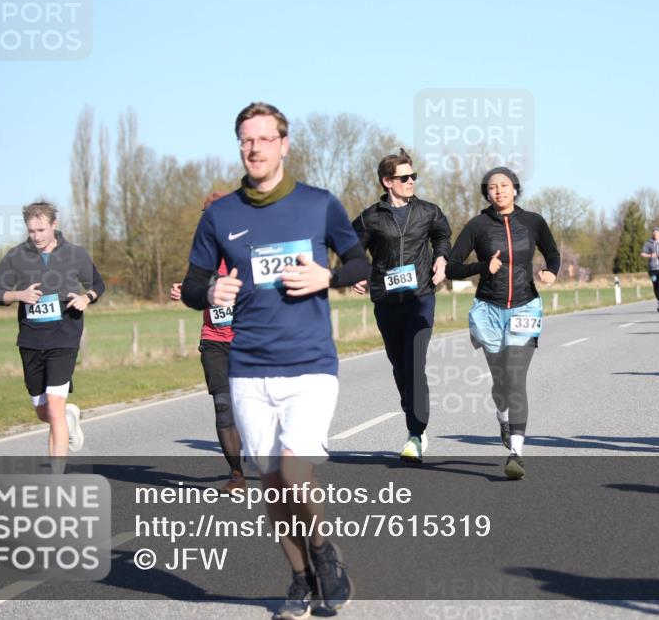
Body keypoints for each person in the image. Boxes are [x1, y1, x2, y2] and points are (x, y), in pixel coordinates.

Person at [179, 102, 369, 619]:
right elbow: (194, 284)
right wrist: (211, 287)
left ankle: (325, 553)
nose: (254, 147)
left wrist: (329, 276)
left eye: (264, 138)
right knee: (270, 483)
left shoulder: (319, 204)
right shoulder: (221, 215)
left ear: (284, 144)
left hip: (309, 365)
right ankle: (300, 578)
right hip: (248, 369)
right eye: (246, 140)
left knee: (292, 469)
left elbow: (359, 260)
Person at [446, 166, 560, 480]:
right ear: (487, 193)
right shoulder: (477, 225)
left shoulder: (533, 221)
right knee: (501, 382)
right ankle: (503, 416)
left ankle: (516, 454)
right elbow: (453, 268)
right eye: (493, 187)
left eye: (505, 185)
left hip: (525, 305)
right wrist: (484, 266)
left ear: (515, 188)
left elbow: (552, 254)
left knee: (516, 377)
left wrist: (551, 271)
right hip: (488, 310)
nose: (499, 191)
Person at [351, 148, 452, 463]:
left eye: (413, 176)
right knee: (400, 366)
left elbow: (443, 236)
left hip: (421, 296)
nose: (411, 181)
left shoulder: (428, 211)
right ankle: (415, 420)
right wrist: (354, 270)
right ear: (387, 182)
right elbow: (352, 247)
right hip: (386, 298)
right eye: (404, 177)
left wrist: (441, 258)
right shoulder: (371, 217)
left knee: (415, 364)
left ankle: (415, 434)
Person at [0, 201, 104, 459]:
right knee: (44, 412)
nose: (36, 236)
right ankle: (69, 416)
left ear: (54, 225)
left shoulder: (75, 254)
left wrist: (88, 297)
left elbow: (97, 283)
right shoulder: (16, 256)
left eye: (41, 230)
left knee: (53, 406)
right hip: (30, 339)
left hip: (65, 336)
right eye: (31, 231)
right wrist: (20, 294)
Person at [170, 191, 246, 493]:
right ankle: (237, 474)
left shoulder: (248, 252)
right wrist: (183, 290)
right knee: (223, 405)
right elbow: (193, 287)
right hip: (215, 341)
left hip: (250, 341)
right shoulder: (202, 257)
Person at [640, 227, 659, 312]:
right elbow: (642, 254)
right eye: (654, 233)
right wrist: (650, 255)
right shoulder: (648, 243)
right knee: (655, 284)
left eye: (657, 233)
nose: (655, 234)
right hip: (652, 268)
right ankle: (658, 300)